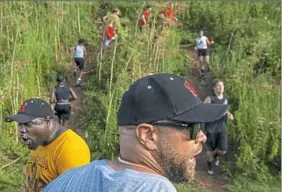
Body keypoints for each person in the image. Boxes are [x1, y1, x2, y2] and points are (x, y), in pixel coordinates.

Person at [43, 73, 228, 192]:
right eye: (193, 128)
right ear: (147, 135)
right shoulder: (156, 189)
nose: (203, 137)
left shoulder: (66, 181)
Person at [5, 98, 91, 191]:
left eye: (28, 124)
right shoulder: (40, 142)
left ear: (47, 121)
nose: (21, 130)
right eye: (20, 125)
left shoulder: (71, 149)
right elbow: (33, 184)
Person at [203, 79, 234, 175]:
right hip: (211, 129)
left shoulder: (225, 99)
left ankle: (215, 156)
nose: (221, 87)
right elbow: (202, 110)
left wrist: (229, 114)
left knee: (223, 150)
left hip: (222, 128)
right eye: (218, 85)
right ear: (214, 88)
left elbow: (224, 110)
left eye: (222, 86)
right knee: (209, 151)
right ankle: (210, 166)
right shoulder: (210, 99)